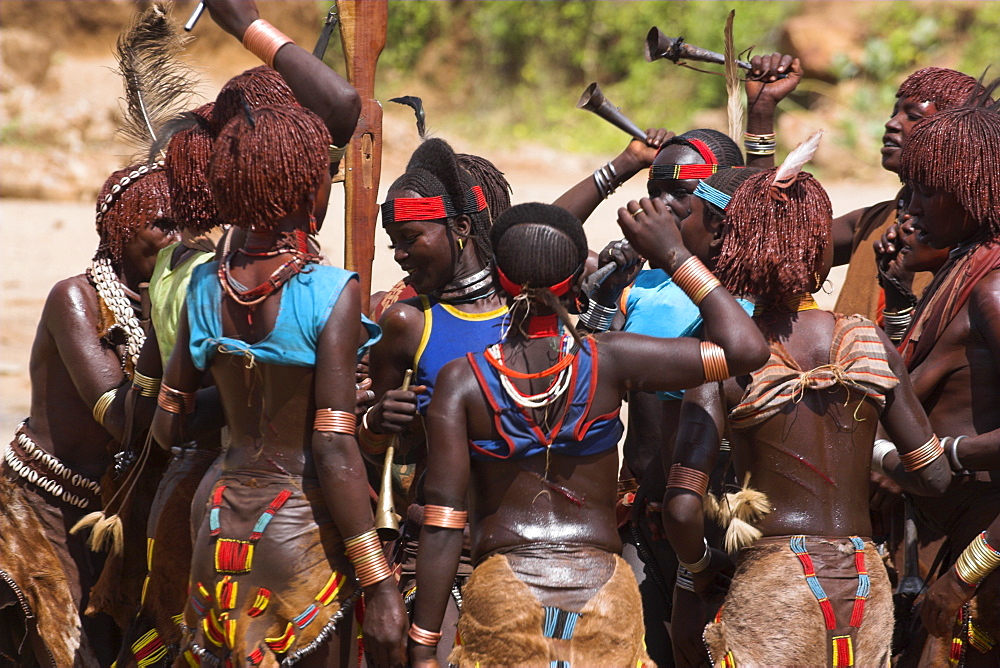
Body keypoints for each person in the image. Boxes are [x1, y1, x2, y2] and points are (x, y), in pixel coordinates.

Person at [408, 201, 769, 667]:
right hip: (603, 597)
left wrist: (422, 646)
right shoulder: (611, 360)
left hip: (504, 594)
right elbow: (745, 349)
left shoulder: (461, 382)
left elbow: (442, 522)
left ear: (499, 279)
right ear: (580, 279)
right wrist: (676, 255)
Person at [661, 156, 953, 667]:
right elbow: (932, 477)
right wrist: (873, 455)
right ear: (820, 252)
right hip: (866, 586)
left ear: (739, 248)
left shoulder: (728, 356)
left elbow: (683, 505)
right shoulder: (869, 341)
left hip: (776, 589)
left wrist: (702, 570)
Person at [152, 103, 406, 666]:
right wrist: (379, 582)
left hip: (214, 518)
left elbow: (169, 425)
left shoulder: (201, 286)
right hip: (300, 524)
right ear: (302, 187)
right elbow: (334, 444)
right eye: (324, 180)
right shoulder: (331, 292)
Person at [0, 161, 177, 666]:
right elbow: (123, 419)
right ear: (121, 228)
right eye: (162, 224)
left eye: (185, 226)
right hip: (45, 509)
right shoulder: (74, 298)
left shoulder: (165, 303)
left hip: (123, 511)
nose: (176, 239)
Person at [361, 137, 512, 662]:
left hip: (520, 535)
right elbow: (367, 443)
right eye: (392, 243)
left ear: (461, 228)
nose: (400, 255)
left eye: (410, 239)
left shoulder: (526, 312)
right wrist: (378, 419)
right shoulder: (405, 322)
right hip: (437, 542)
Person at [889, 83, 1000, 666]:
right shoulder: (964, 261)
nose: (913, 206)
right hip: (943, 527)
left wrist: (967, 573)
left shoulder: (995, 289)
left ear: (970, 192)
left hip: (982, 542)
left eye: (929, 191)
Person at [832, 67, 983, 322]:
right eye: (894, 113)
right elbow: (772, 239)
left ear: (955, 134)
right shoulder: (874, 221)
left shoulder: (970, 240)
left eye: (912, 116)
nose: (891, 123)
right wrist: (762, 113)